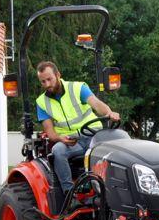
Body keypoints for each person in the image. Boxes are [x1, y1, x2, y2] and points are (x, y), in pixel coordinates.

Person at [35, 60, 120, 194]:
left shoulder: (77, 88)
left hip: (94, 136)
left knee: (115, 148)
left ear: (58, 75)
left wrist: (109, 113)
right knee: (58, 150)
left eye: (49, 79)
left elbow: (97, 104)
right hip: (72, 142)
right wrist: (60, 138)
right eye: (43, 82)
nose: (47, 84)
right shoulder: (41, 102)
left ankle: (113, 188)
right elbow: (50, 132)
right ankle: (70, 192)